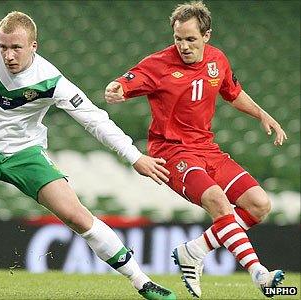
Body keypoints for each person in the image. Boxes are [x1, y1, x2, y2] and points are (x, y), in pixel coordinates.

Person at [0, 11, 176, 300]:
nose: (8, 55)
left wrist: (133, 156)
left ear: (33, 46)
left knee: (78, 216)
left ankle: (142, 282)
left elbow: (94, 119)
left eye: (16, 47)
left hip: (25, 154)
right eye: (3, 46)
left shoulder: (50, 79)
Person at [104, 1, 287, 298]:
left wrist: (262, 114)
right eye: (178, 39)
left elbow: (233, 92)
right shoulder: (159, 63)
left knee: (259, 204)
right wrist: (117, 88)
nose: (184, 46)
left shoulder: (217, 60)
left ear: (207, 36)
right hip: (172, 152)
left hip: (207, 149)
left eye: (191, 39)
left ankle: (195, 249)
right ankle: (258, 273)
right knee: (217, 200)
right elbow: (129, 80)